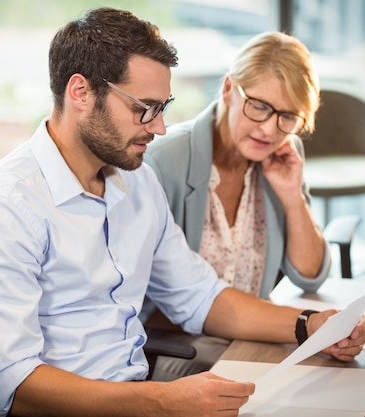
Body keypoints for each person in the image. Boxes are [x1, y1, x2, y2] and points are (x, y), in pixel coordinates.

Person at [0, 8, 365, 417]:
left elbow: (200, 295)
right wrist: (161, 403)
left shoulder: (136, 183)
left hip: (136, 394)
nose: (160, 127)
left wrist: (309, 326)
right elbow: (13, 386)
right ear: (80, 92)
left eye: (163, 108)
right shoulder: (2, 210)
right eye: (144, 109)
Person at [143, 31, 333, 381]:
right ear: (229, 89)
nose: (269, 129)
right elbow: (159, 299)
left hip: (252, 339)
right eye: (259, 106)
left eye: (288, 116)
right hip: (179, 352)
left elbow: (310, 273)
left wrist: (292, 197)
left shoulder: (279, 155)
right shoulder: (161, 162)